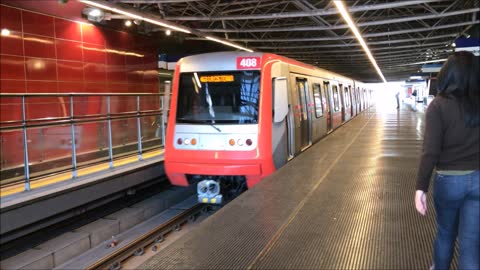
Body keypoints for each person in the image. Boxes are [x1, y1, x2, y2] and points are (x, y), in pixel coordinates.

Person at [414, 51, 479, 270]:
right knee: (471, 243)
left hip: (449, 181)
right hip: (479, 181)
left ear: (448, 74)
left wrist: (420, 188)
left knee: (446, 234)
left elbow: (430, 151)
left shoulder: (439, 106)